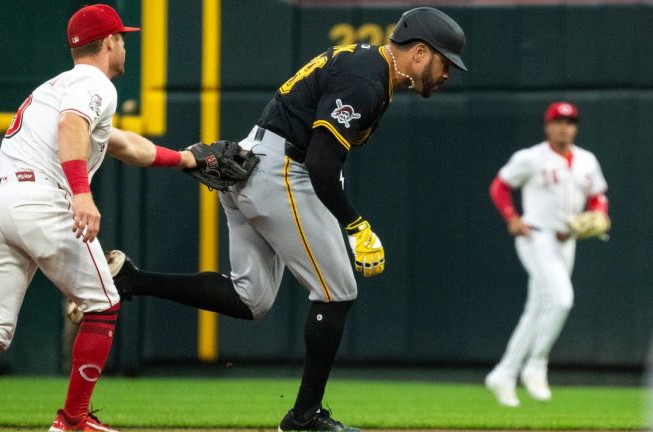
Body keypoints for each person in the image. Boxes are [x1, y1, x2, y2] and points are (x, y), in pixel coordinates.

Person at [98, 7, 467, 431]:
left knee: (251, 299)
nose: (446, 74)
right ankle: (304, 417)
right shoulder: (367, 77)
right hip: (282, 172)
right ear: (420, 52)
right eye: (445, 62)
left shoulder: (367, 67)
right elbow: (323, 163)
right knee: (337, 292)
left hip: (252, 163)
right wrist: (356, 225)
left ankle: (132, 279)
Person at [0, 4, 197, 432]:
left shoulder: (57, 86)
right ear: (108, 42)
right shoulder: (95, 84)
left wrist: (183, 159)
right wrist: (82, 194)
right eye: (122, 38)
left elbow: (122, 144)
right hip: (40, 201)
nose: (125, 45)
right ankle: (72, 419)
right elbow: (72, 126)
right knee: (103, 305)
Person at [485, 102, 610, 407]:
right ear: (547, 125)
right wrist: (511, 217)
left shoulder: (587, 160)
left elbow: (598, 196)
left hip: (566, 242)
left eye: (570, 122)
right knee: (562, 299)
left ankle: (504, 372)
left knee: (538, 309)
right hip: (536, 237)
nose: (564, 127)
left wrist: (598, 213)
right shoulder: (531, 158)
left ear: (575, 127)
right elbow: (500, 185)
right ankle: (536, 366)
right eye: (559, 121)